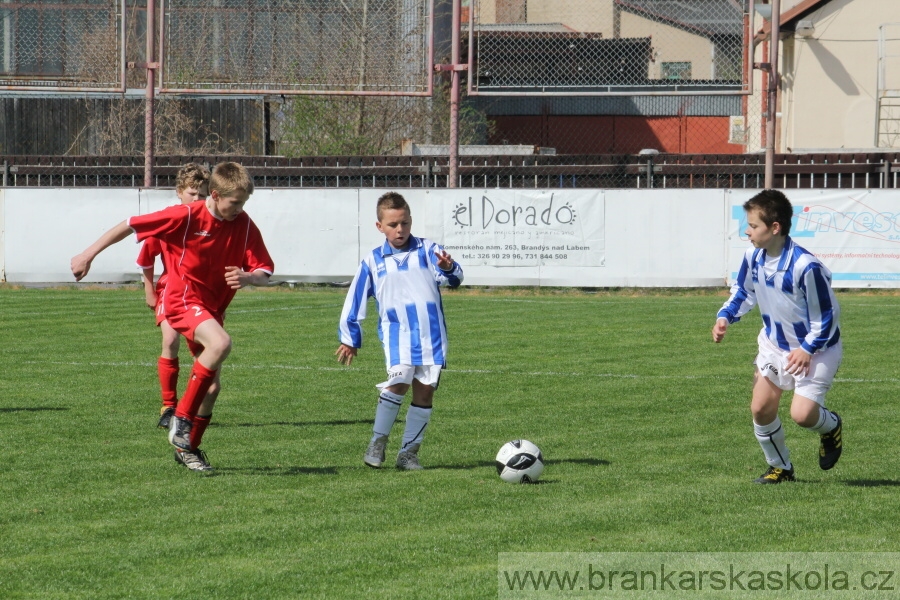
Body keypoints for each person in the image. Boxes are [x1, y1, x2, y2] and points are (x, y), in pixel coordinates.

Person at [71, 162, 274, 473]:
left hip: (211, 308)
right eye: (235, 202)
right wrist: (88, 254)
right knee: (220, 344)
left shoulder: (244, 224)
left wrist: (248, 277)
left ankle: (188, 449)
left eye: (244, 202)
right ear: (216, 195)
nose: (240, 209)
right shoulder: (188, 214)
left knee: (212, 389)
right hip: (182, 298)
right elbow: (129, 224)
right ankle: (180, 417)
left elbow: (265, 271)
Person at [713, 189, 843, 484]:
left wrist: (807, 349)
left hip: (818, 349)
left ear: (775, 228)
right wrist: (725, 317)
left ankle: (831, 426)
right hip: (774, 345)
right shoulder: (753, 256)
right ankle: (781, 467)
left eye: (753, 226)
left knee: (802, 415)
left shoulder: (805, 266)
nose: (746, 232)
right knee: (760, 407)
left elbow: (827, 316)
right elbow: (743, 292)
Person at [336, 191, 463, 471]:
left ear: (410, 221)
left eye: (404, 223)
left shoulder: (428, 250)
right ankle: (378, 441)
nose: (400, 229)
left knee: (425, 393)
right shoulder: (373, 260)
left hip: (432, 335)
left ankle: (408, 454)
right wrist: (350, 337)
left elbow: (455, 278)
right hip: (398, 335)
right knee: (398, 382)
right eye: (393, 225)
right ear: (379, 226)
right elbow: (355, 299)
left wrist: (449, 267)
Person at [137, 163, 211, 430]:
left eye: (202, 195)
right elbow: (147, 257)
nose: (197, 200)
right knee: (170, 340)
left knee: (202, 352)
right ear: (179, 192)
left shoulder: (209, 222)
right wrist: (149, 289)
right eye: (193, 193)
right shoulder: (171, 220)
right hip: (171, 290)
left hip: (202, 295)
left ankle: (192, 409)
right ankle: (169, 406)